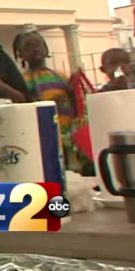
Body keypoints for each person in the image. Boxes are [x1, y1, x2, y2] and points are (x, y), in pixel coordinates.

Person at [13, 30, 92, 174]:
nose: (35, 48)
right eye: (29, 46)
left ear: (46, 49)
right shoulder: (23, 81)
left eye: (38, 44)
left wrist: (73, 89)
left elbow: (76, 108)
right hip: (45, 140)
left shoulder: (61, 77)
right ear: (21, 54)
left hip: (69, 139)